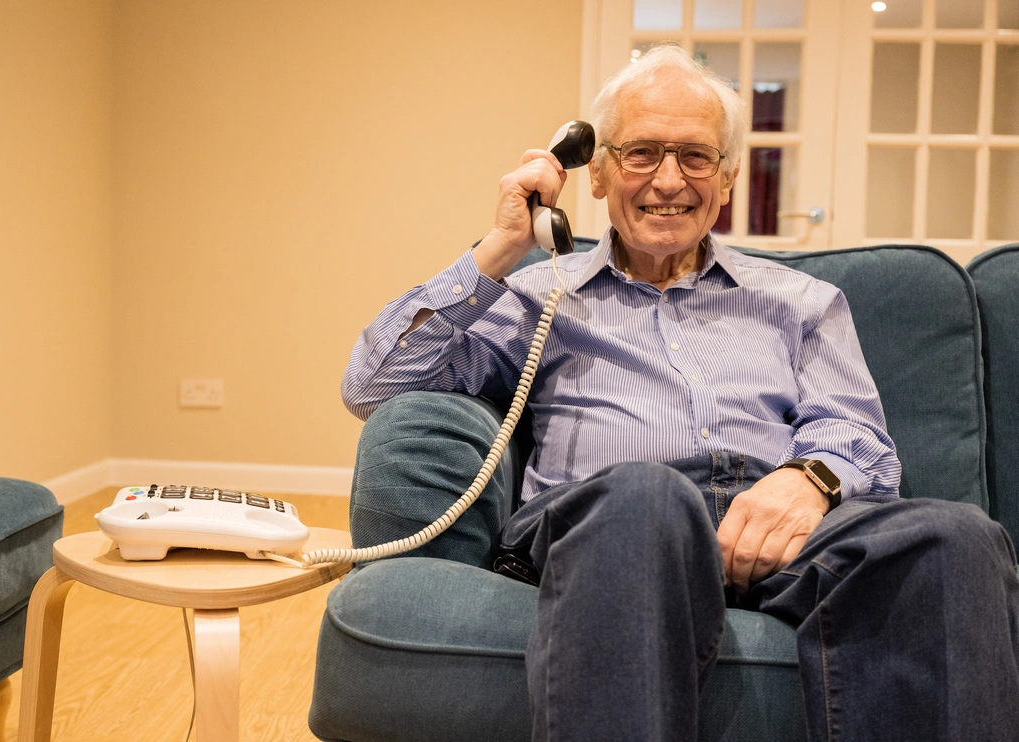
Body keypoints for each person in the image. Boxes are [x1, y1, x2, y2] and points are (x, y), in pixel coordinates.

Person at [341, 44, 1019, 741]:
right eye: (640, 153)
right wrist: (504, 243)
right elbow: (374, 383)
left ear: (725, 179)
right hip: (617, 518)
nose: (669, 180)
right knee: (644, 494)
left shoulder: (802, 302)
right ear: (596, 172)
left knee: (953, 535)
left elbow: (860, 439)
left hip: (773, 524)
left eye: (695, 157)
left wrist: (807, 479)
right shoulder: (539, 295)